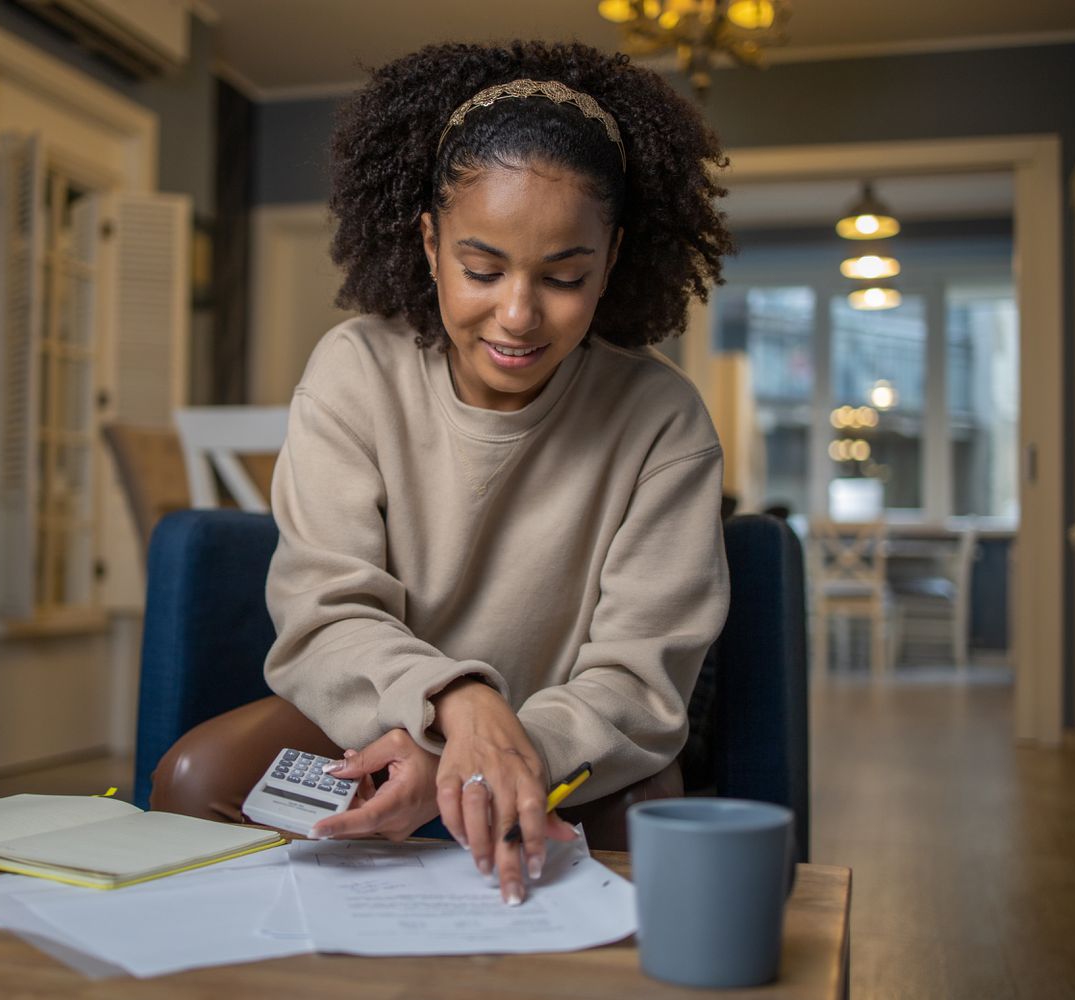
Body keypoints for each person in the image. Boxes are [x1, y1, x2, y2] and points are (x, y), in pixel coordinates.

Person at [152, 40, 733, 906]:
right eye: (482, 268)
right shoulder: (355, 372)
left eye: (565, 276)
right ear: (428, 243)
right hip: (377, 713)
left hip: (565, 740)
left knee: (647, 827)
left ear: (610, 259)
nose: (518, 314)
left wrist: (495, 754)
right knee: (197, 778)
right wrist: (453, 711)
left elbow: (639, 687)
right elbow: (325, 613)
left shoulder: (664, 422)